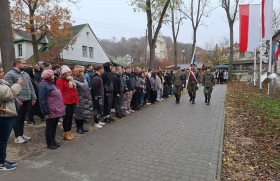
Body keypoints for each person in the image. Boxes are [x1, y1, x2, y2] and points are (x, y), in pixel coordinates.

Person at [4, 58, 37, 144]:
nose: (25, 65)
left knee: (22, 118)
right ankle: (17, 137)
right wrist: (16, 99)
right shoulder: (9, 74)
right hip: (18, 100)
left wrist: (33, 97)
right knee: (17, 119)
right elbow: (8, 89)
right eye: (23, 63)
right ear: (17, 64)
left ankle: (21, 134)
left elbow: (30, 86)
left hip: (27, 99)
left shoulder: (25, 74)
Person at [0, 66, 22, 171]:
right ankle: (1, 163)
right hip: (3, 115)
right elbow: (7, 95)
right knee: (2, 140)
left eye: (2, 71)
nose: (2, 73)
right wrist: (18, 85)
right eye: (0, 72)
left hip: (7, 114)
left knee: (4, 140)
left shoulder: (2, 82)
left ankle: (3, 159)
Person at [38, 70, 65, 149]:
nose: (54, 76)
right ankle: (49, 143)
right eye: (52, 75)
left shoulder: (52, 84)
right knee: (49, 127)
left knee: (54, 126)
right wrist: (45, 112)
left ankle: (53, 141)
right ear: (48, 77)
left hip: (56, 109)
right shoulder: (43, 86)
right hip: (50, 110)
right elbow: (42, 100)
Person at [56, 65, 79, 141]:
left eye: (70, 72)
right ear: (64, 73)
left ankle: (69, 132)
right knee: (66, 118)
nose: (70, 73)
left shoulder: (70, 80)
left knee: (70, 118)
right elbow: (60, 92)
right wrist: (62, 103)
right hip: (66, 102)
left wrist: (77, 101)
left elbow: (74, 91)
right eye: (68, 72)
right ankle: (66, 133)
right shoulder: (60, 80)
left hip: (72, 101)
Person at [73, 66, 93, 134]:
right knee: (78, 115)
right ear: (78, 73)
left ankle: (81, 127)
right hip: (79, 100)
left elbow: (87, 90)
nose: (83, 73)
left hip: (85, 100)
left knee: (83, 115)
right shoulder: (74, 81)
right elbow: (75, 92)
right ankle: (78, 128)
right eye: (81, 72)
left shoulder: (84, 80)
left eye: (83, 71)